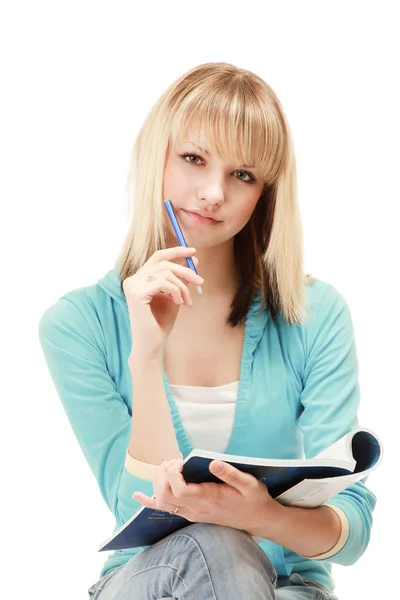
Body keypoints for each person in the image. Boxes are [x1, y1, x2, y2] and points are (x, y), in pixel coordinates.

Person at [38, 62, 377, 600]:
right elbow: (137, 508)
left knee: (234, 551)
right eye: (194, 159)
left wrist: (261, 516)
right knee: (213, 545)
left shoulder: (315, 313)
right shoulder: (78, 324)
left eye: (243, 175)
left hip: (286, 587)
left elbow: (352, 530)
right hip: (149, 584)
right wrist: (146, 356)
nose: (213, 192)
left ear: (264, 193)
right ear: (159, 158)